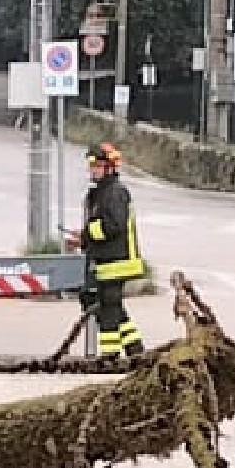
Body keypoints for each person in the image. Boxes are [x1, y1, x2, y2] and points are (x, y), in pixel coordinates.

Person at [66, 143, 146, 359]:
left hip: (117, 263)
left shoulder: (115, 193)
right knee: (112, 307)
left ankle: (109, 357)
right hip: (107, 261)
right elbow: (101, 227)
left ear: (110, 168)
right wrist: (83, 238)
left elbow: (113, 225)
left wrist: (86, 234)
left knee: (108, 310)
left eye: (97, 166)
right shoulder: (102, 192)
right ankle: (135, 349)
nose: (92, 170)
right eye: (91, 165)